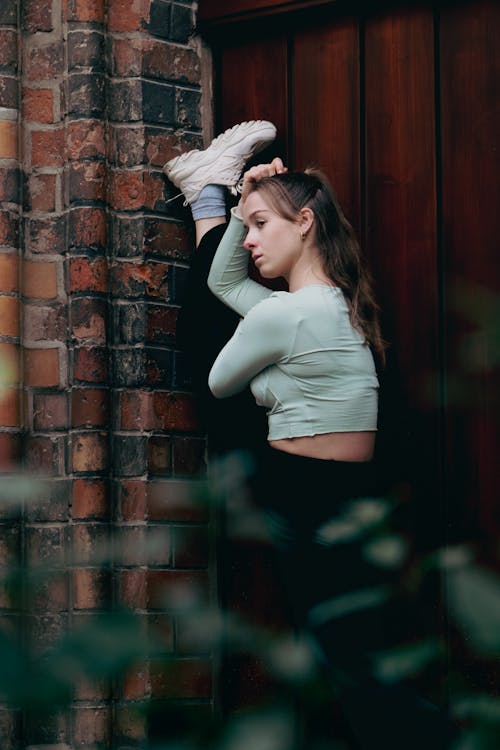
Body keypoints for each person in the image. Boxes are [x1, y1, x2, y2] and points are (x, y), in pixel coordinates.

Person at [166, 122, 457, 749]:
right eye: (245, 231)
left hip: (302, 494)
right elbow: (226, 285)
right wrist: (249, 209)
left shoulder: (282, 313)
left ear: (304, 223)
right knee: (357, 657)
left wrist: (265, 363)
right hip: (354, 494)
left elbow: (219, 379)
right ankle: (208, 195)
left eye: (261, 228)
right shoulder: (342, 300)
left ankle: (207, 196)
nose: (251, 243)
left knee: (350, 666)